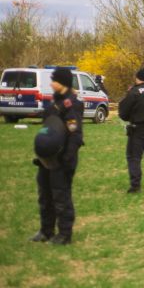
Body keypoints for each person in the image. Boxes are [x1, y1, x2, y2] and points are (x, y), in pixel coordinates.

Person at [30, 67, 84, 245]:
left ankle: (64, 234)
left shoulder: (71, 104)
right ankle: (46, 231)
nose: (51, 83)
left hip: (62, 160)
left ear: (63, 83)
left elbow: (75, 135)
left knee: (61, 197)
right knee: (45, 195)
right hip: (47, 159)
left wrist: (66, 159)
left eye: (54, 80)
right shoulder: (55, 102)